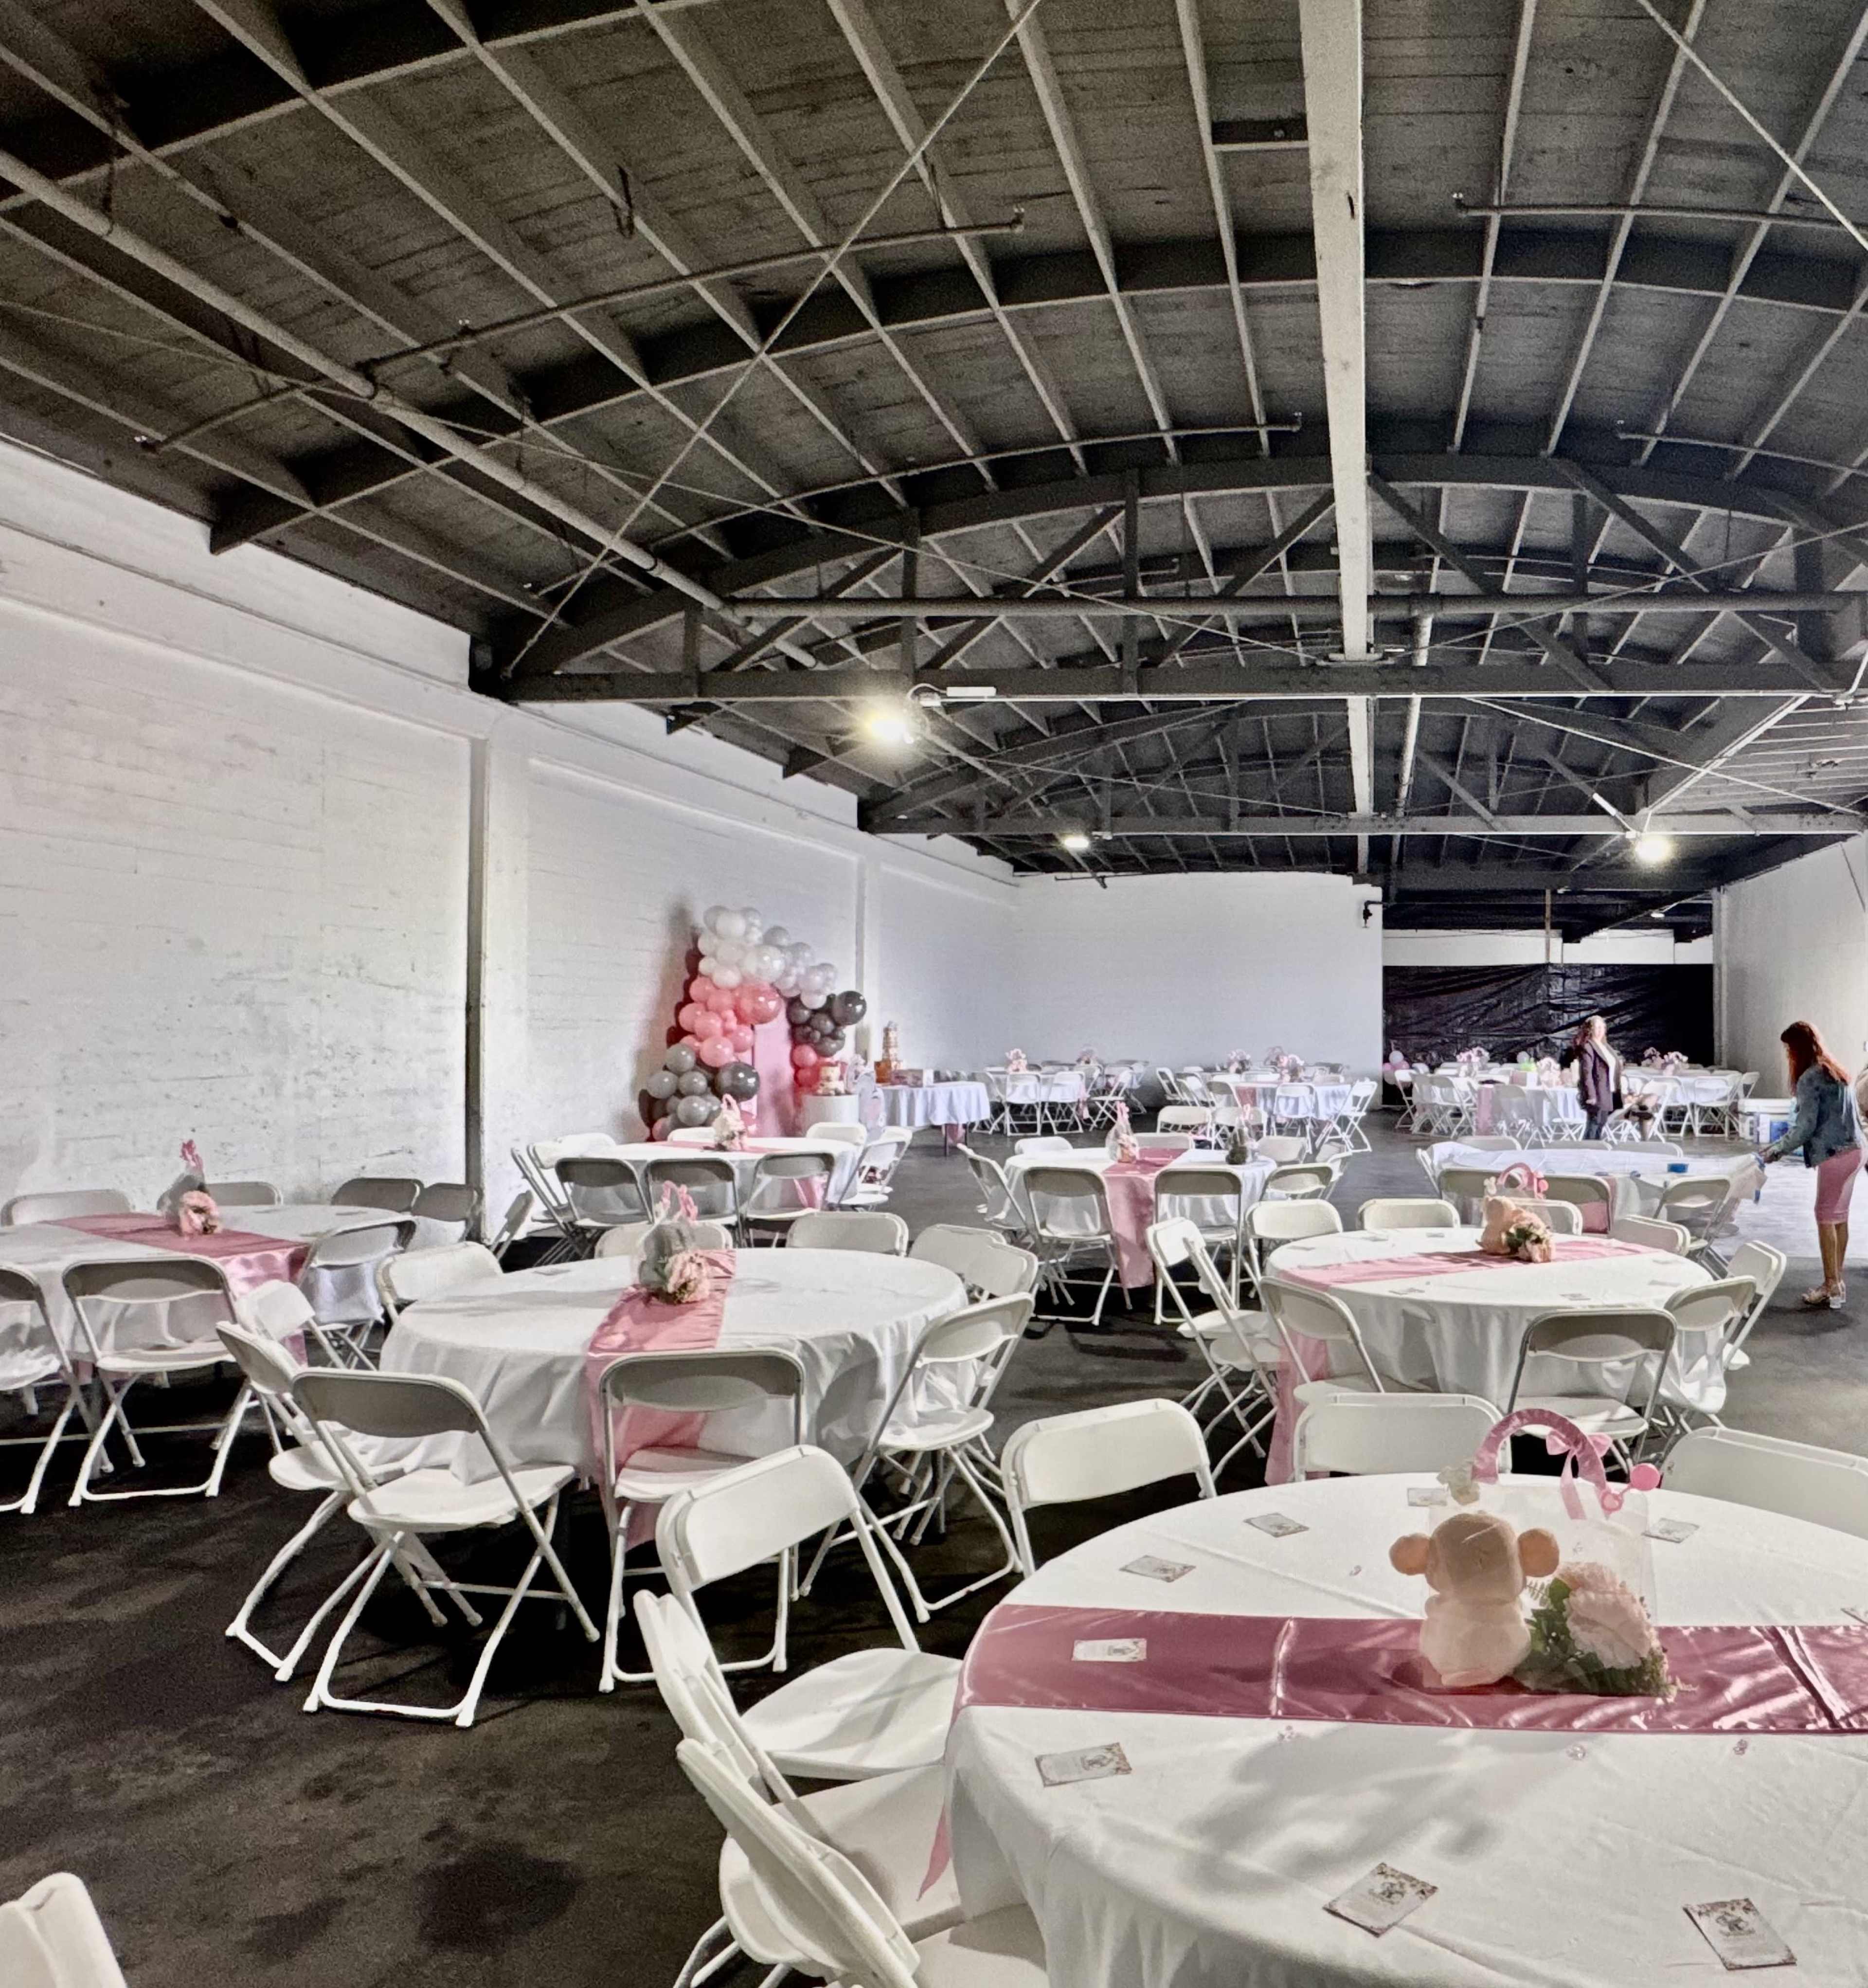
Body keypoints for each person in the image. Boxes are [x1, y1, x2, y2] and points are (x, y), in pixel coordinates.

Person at [1759, 1020, 1862, 1308]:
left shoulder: (1810, 1078)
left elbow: (1804, 1128)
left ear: (1797, 1048)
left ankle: (1832, 1287)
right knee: (1839, 1217)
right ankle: (1836, 1283)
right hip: (1856, 1151)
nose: (1788, 1055)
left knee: (1825, 1216)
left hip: (1834, 1155)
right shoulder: (1834, 1070)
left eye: (1789, 1049)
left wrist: (1773, 1152)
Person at [1573, 1015, 1619, 1141]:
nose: (1600, 1031)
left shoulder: (1605, 1046)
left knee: (1602, 1122)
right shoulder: (1588, 1047)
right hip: (1596, 1092)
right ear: (1591, 1030)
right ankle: (1587, 1149)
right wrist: (1591, 1095)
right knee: (1594, 1122)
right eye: (1596, 1028)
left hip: (1607, 1090)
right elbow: (1586, 1073)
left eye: (1602, 1027)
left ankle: (1597, 1149)